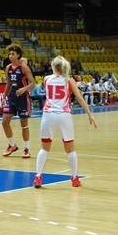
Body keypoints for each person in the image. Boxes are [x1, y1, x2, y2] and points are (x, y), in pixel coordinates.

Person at [32, 56, 97, 188]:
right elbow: (79, 98)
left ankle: (38, 177)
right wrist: (90, 114)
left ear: (53, 66)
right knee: (70, 149)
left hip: (48, 114)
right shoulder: (69, 80)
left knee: (44, 148)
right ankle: (74, 178)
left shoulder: (46, 79)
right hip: (64, 115)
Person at [0, 47, 36, 158]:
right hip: (11, 97)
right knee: (4, 122)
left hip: (23, 98)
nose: (10, 56)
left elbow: (33, 82)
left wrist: (24, 89)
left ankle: (26, 149)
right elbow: (8, 83)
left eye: (13, 54)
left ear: (18, 55)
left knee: (24, 124)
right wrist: (4, 96)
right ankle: (12, 145)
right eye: (9, 54)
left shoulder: (24, 67)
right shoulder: (8, 68)